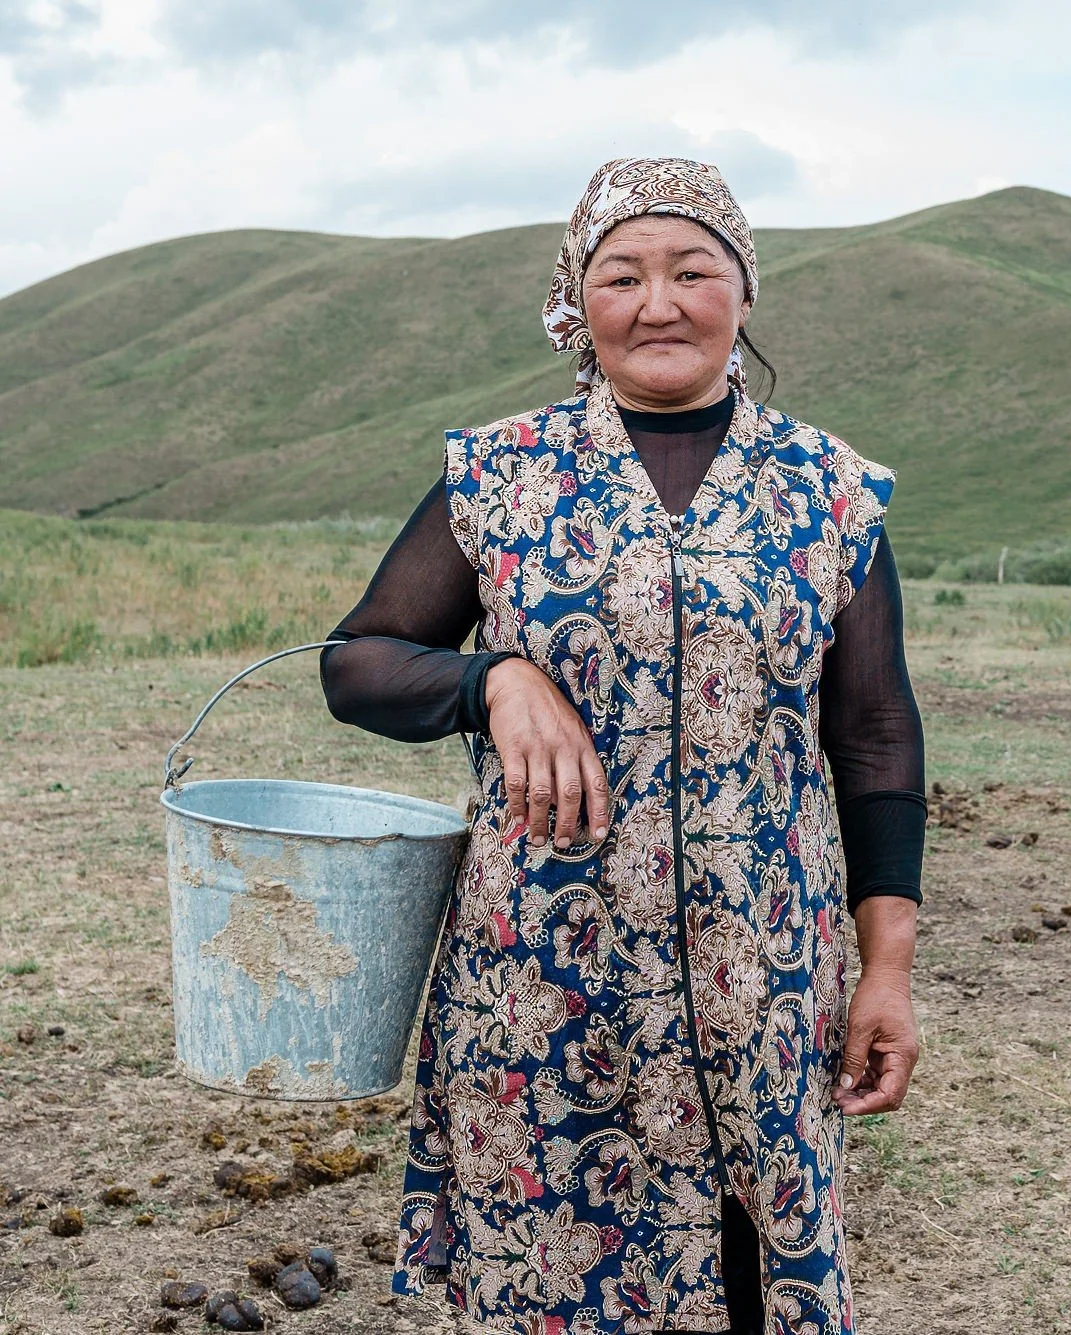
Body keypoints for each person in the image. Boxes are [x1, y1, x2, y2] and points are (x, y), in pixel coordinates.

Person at [319, 157, 926, 1335]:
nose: (659, 304)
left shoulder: (830, 493)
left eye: (693, 270)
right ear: (575, 303)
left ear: (743, 293)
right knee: (554, 1278)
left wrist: (887, 967)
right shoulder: (498, 476)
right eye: (622, 275)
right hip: (545, 976)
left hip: (767, 978)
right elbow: (360, 661)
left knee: (752, 1277)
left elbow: (875, 731)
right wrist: (489, 679)